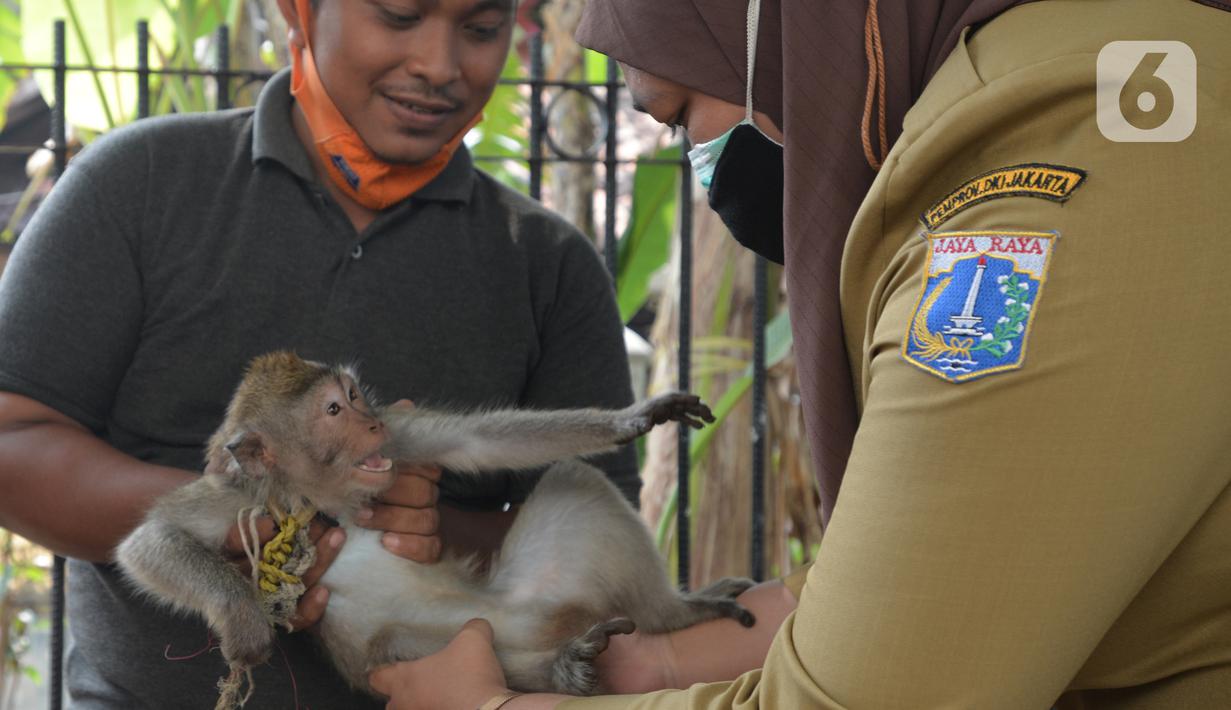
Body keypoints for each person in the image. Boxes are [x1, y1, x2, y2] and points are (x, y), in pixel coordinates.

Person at [371, 0, 1231, 708]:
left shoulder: (1073, 143)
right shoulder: (1066, 97)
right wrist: (678, 657)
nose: (699, 169)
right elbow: (989, 554)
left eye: (679, 114)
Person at [0, 0, 640, 707]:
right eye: (399, 15)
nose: (438, 64)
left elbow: (597, 535)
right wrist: (247, 527)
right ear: (298, 12)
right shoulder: (140, 184)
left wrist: (414, 527)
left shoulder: (547, 265)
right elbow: (12, 438)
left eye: (482, 29)